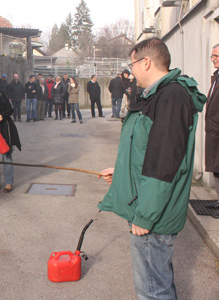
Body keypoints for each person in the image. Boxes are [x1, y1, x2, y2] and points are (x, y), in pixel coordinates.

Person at [98, 37, 206, 300]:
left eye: (132, 64)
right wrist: (122, 171)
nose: (131, 71)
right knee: (158, 283)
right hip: (148, 204)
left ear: (146, 62)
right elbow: (147, 149)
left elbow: (164, 164)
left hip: (152, 214)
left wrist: (144, 216)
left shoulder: (170, 97)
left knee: (153, 291)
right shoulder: (159, 95)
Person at [204, 43, 219, 217]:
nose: (213, 59)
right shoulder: (216, 77)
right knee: (216, 168)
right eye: (212, 56)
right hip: (214, 131)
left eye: (216, 56)